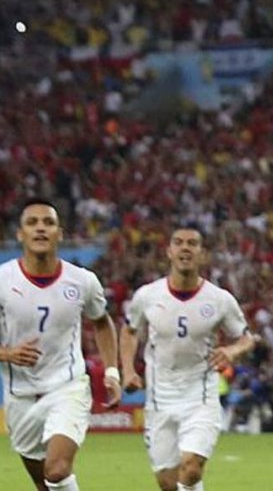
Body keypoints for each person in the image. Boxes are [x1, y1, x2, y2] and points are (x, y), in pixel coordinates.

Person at [120, 226, 255, 491]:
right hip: (160, 400)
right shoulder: (148, 296)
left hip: (200, 397)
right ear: (169, 251)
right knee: (169, 483)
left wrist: (231, 351)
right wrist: (127, 370)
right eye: (179, 243)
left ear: (202, 254)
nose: (185, 248)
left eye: (192, 243)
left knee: (191, 468)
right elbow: (129, 330)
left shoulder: (219, 299)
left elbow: (247, 338)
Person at [0, 198, 120, 491]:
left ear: (60, 234)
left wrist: (112, 371)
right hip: (20, 397)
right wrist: (7, 353)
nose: (41, 228)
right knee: (45, 485)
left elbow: (102, 322)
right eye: (32, 223)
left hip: (68, 388)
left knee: (56, 470)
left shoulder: (82, 281)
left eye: (48, 223)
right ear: (20, 234)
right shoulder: (2, 279)